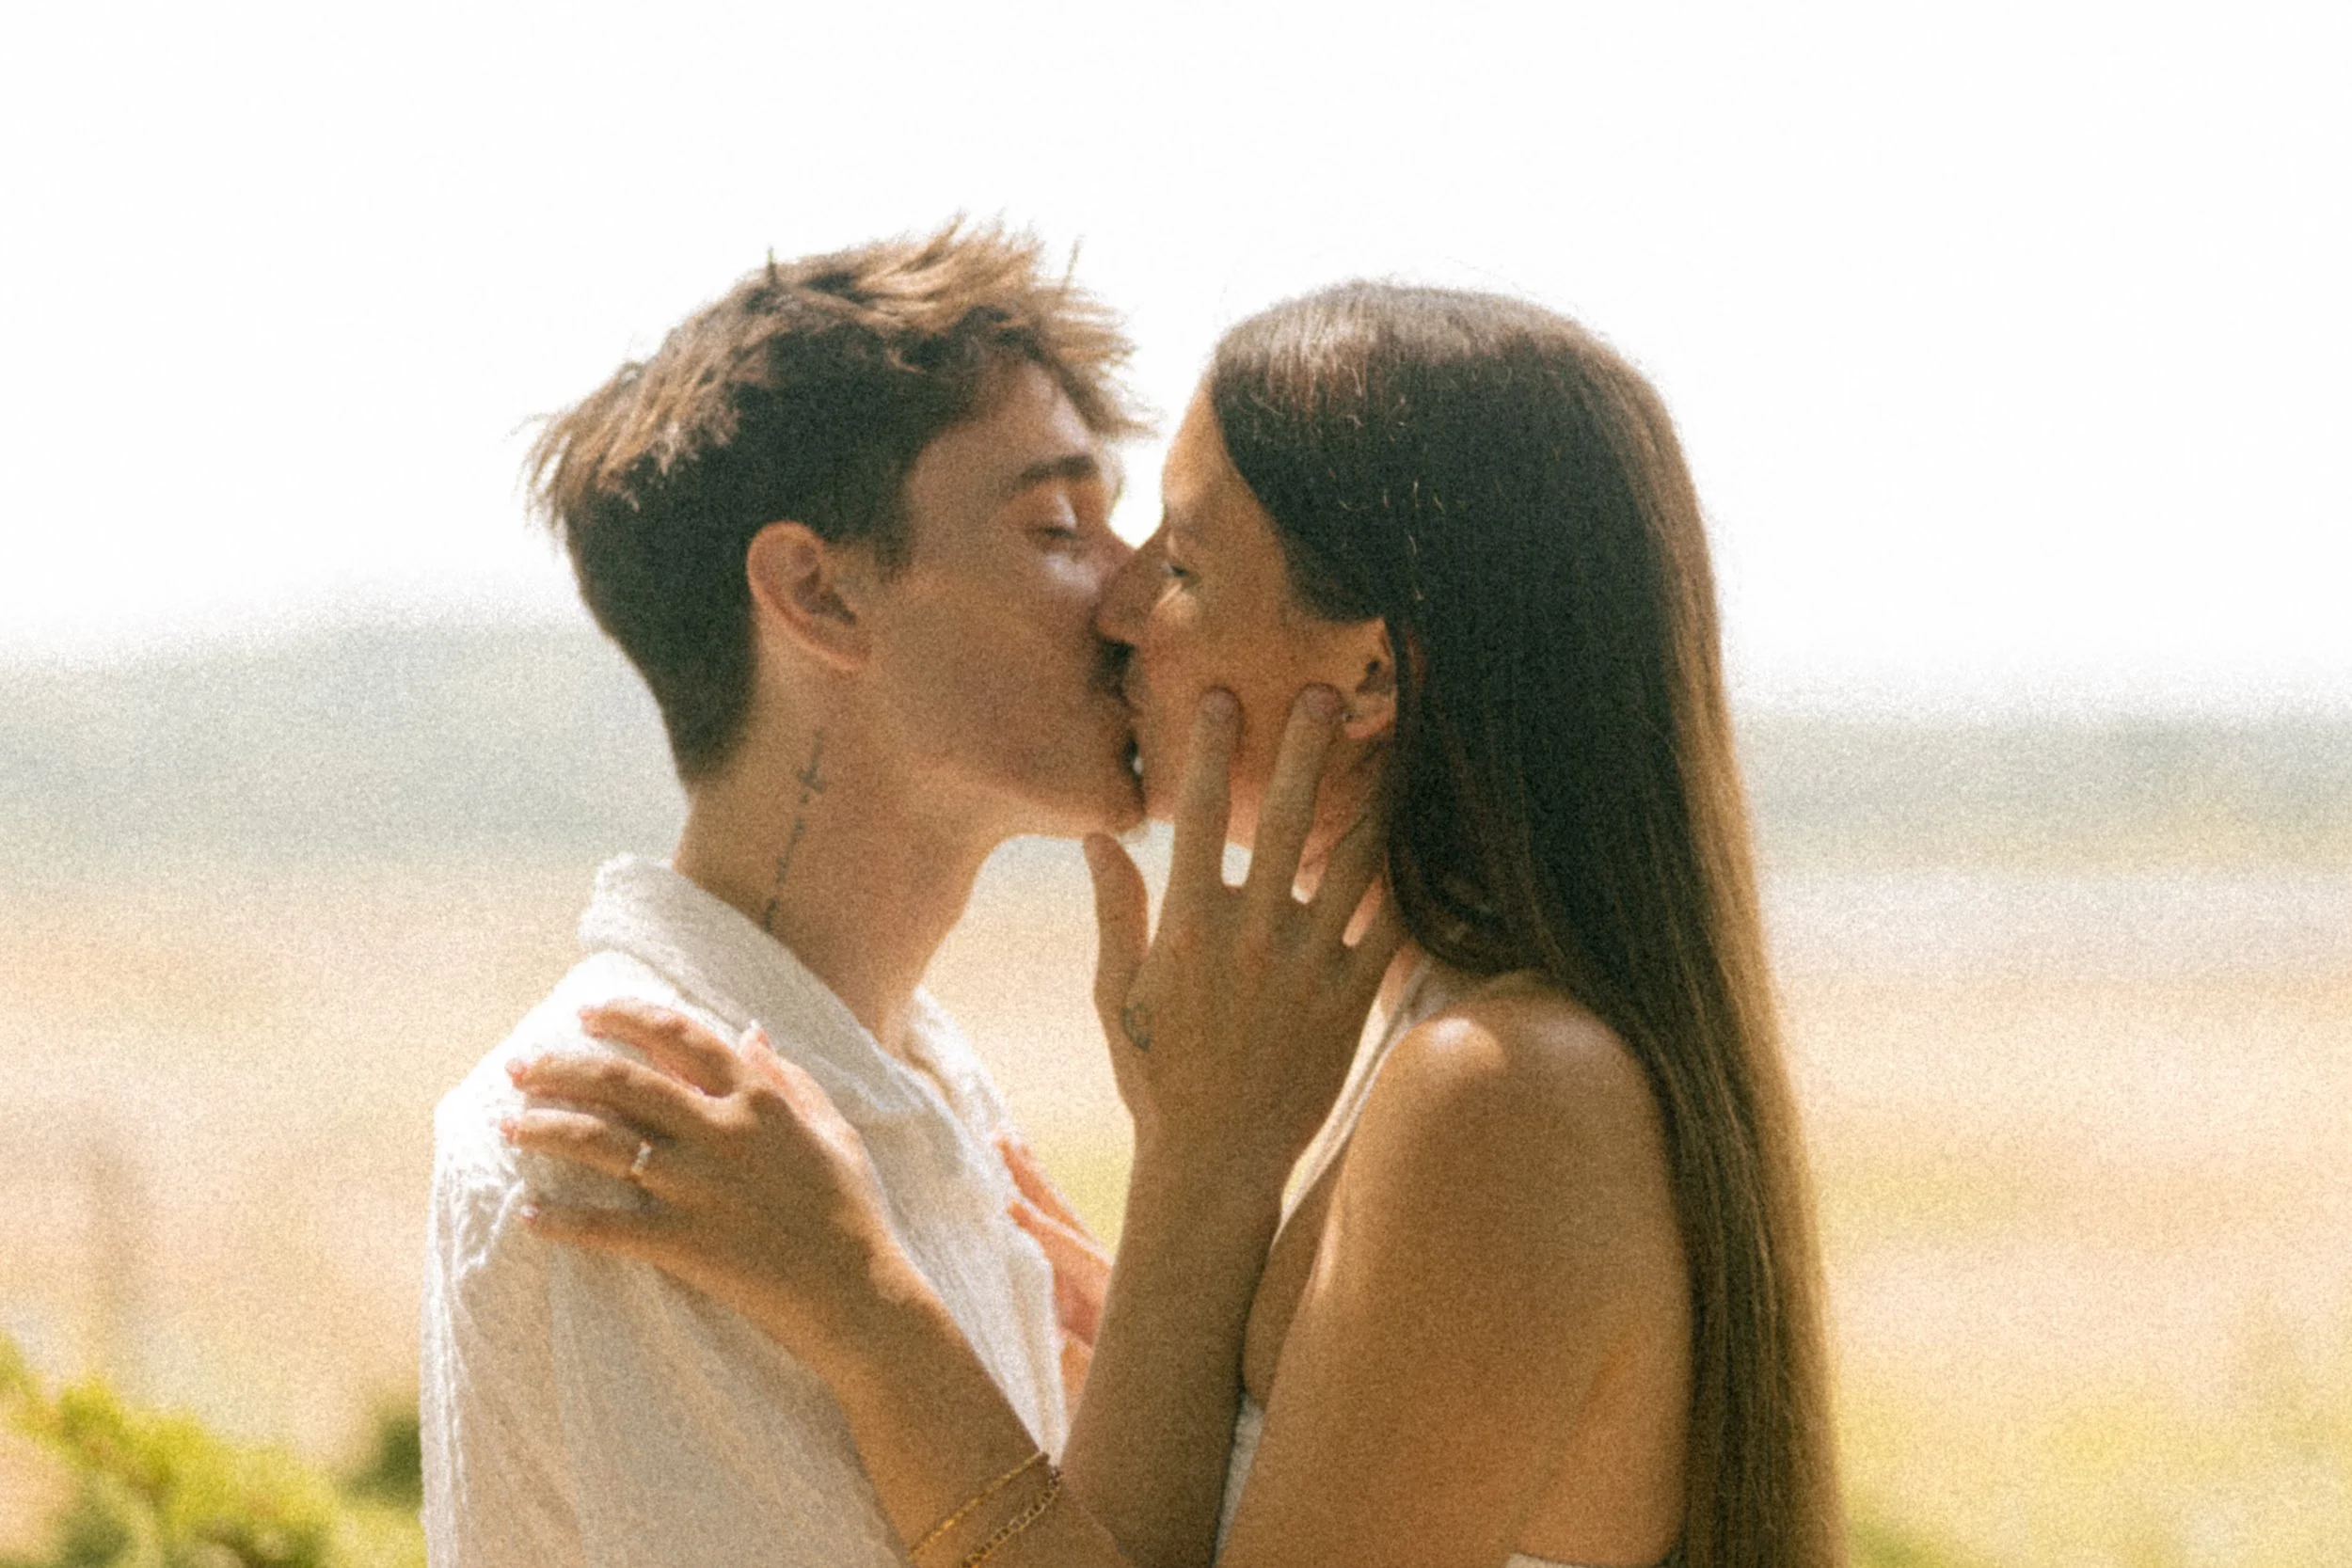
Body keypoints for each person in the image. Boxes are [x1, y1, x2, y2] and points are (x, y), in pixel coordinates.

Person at [509, 283, 1845, 1568]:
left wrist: (868, 1309)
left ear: (1371, 669)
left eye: (1185, 560)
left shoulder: (1498, 1096)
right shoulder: (1446, 1047)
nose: (1123, 603)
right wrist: (1176, 1316)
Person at [419, 223, 1151, 1567]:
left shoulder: (921, 1086)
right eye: (1058, 526)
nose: (1140, 592)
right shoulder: (632, 1119)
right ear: (819, 593)